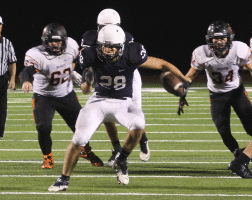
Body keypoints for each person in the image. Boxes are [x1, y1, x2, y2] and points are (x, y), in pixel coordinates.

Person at [48, 25, 190, 191]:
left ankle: (121, 159)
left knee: (139, 124)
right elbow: (86, 90)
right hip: (99, 101)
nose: (108, 51)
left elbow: (163, 65)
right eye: (105, 47)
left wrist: (185, 80)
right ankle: (63, 179)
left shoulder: (133, 53)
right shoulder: (89, 54)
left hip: (124, 102)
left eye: (113, 47)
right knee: (79, 139)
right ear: (99, 44)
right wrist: (87, 78)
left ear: (121, 47)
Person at [19, 23, 103, 169]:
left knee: (81, 127)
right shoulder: (36, 54)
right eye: (52, 41)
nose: (56, 44)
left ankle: (86, 151)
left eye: (59, 41)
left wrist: (72, 71)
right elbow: (27, 71)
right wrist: (26, 81)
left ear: (64, 40)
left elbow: (77, 59)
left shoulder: (71, 45)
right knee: (43, 127)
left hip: (66, 94)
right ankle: (48, 158)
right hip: (44, 97)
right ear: (45, 41)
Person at [81, 8, 150, 165]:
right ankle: (116, 148)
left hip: (126, 76)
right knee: (105, 111)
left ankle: (142, 139)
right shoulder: (90, 37)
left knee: (134, 111)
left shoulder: (127, 38)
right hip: (103, 74)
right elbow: (86, 58)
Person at [179, 21, 252, 160]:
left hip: (237, 93)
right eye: (216, 38)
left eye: (222, 38)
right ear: (210, 39)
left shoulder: (239, 48)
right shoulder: (201, 53)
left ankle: (245, 155)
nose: (219, 42)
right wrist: (183, 93)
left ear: (229, 38)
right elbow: (190, 76)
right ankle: (238, 155)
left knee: (250, 126)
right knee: (223, 130)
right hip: (217, 96)